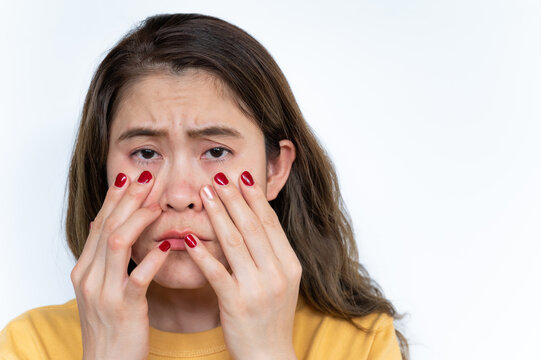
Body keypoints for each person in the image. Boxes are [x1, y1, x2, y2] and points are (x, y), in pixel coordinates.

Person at [0, 13, 409, 359]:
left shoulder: (359, 342)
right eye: (145, 154)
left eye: (215, 152)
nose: (179, 196)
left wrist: (266, 351)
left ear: (275, 169)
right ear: (103, 171)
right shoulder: (30, 345)